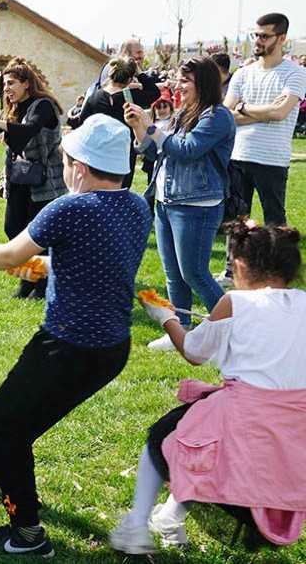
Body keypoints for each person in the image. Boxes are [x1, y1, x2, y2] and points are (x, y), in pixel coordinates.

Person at [0, 115, 152, 558]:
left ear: (79, 165)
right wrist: (51, 268)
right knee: (25, 419)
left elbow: (10, 253)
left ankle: (26, 532)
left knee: (5, 418)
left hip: (67, 346)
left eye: (65, 159)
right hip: (112, 348)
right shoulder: (138, 206)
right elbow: (98, 258)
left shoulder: (70, 208)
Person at [111, 220, 306, 555]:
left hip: (246, 420)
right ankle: (171, 515)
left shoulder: (235, 302)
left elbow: (194, 352)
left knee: (165, 437)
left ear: (241, 265)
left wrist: (164, 317)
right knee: (196, 443)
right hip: (294, 429)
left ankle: (136, 526)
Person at [126, 56, 235, 351]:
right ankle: (182, 329)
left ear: (204, 84)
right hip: (166, 201)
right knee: (173, 273)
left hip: (197, 205)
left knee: (195, 272)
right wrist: (140, 127)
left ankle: (232, 332)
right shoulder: (183, 113)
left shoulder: (217, 116)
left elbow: (187, 150)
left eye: (185, 81)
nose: (178, 85)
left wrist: (152, 128)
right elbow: (155, 153)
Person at [218, 12, 306, 286]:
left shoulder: (295, 73)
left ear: (281, 38)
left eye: (264, 35)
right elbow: (226, 112)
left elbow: (281, 113)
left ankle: (277, 276)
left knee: (274, 221)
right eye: (255, 35)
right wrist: (261, 111)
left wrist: (243, 108)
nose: (257, 40)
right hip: (239, 155)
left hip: (272, 158)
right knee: (236, 221)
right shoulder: (243, 73)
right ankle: (232, 271)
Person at [0, 57, 67, 299]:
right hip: (19, 180)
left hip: (44, 182)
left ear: (26, 83)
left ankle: (43, 285)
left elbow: (26, 132)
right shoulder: (14, 109)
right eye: (4, 85)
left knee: (38, 235)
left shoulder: (43, 106)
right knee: (13, 228)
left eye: (11, 83)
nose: (7, 89)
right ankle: (28, 278)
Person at [70, 56, 161, 188]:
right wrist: (140, 73)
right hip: (123, 155)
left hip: (98, 154)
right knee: (120, 195)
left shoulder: (94, 97)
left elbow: (81, 125)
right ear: (130, 78)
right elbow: (154, 92)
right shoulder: (130, 97)